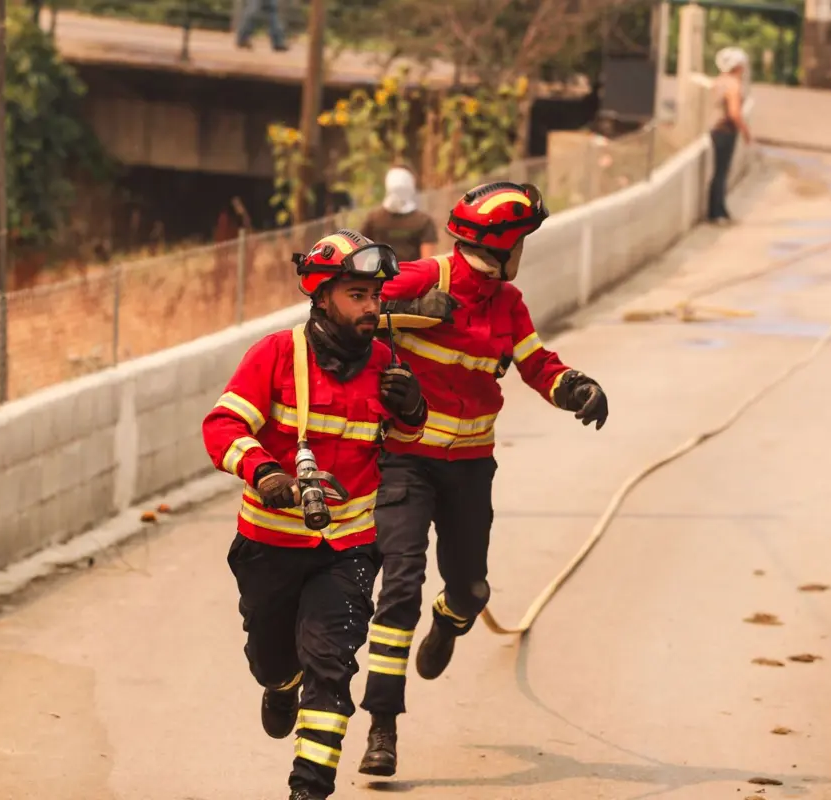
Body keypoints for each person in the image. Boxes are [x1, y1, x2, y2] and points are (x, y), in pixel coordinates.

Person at [355, 182, 610, 778]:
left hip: (470, 466)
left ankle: (450, 620)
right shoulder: (426, 277)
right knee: (399, 589)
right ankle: (382, 726)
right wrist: (405, 312)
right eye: (522, 243)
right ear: (504, 246)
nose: (523, 252)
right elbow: (351, 310)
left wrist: (576, 388)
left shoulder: (508, 303)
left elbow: (537, 364)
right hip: (406, 459)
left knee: (471, 590)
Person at [201, 230, 429, 800]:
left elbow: (403, 440)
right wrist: (265, 472)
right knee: (271, 662)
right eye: (357, 295)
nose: (372, 308)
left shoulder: (387, 363)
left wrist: (412, 410)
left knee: (331, 666)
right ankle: (281, 685)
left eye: (376, 296)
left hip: (348, 549)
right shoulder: (276, 355)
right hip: (270, 547)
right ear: (322, 297)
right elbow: (222, 426)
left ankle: (309, 789)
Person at [708, 47, 752, 225]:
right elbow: (734, 113)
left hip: (715, 128)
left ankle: (719, 209)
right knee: (722, 172)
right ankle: (717, 212)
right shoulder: (734, 85)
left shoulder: (719, 81)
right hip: (726, 130)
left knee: (718, 171)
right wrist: (746, 131)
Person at [360, 166, 439, 262]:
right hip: (412, 272)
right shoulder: (424, 221)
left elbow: (359, 252)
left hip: (380, 272)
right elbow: (427, 261)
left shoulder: (374, 218)